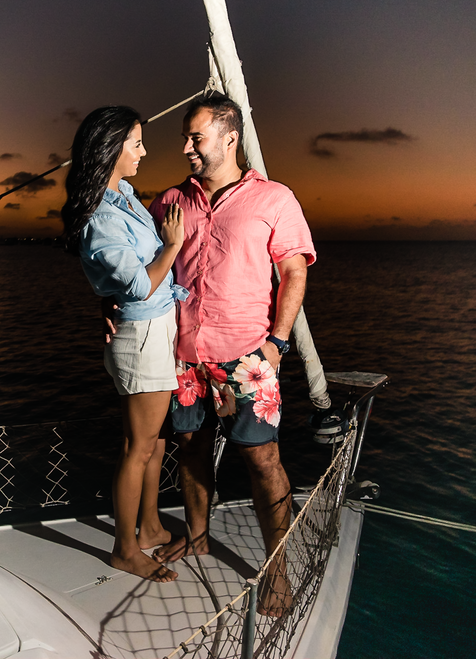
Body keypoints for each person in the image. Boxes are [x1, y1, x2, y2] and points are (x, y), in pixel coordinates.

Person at [148, 93, 315, 617]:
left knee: (263, 460)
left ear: (230, 138)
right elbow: (145, 269)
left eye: (196, 137)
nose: (186, 147)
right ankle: (198, 536)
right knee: (191, 448)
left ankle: (277, 570)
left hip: (246, 357)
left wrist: (277, 343)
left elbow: (294, 271)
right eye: (185, 138)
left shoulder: (275, 199)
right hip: (183, 356)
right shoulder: (170, 200)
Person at [62, 105, 186, 582]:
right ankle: (124, 549)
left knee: (154, 442)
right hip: (142, 336)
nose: (144, 151)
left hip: (158, 327)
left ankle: (149, 526)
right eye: (136, 143)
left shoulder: (125, 197)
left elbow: (122, 280)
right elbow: (137, 285)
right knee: (138, 447)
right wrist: (172, 245)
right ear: (112, 149)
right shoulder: (101, 214)